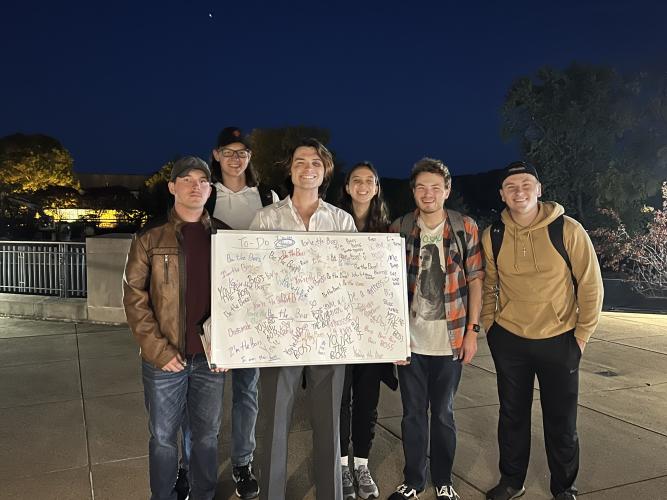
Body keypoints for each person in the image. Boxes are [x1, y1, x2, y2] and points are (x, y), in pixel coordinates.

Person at [481, 161, 603, 500]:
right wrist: (491, 328)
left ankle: (564, 487)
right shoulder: (493, 234)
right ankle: (512, 481)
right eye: (511, 186)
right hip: (510, 340)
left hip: (560, 339)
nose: (519, 191)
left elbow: (591, 285)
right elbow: (489, 284)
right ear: (502, 194)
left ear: (539, 189)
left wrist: (581, 336)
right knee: (511, 417)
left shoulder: (567, 230)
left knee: (561, 422)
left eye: (526, 184)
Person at [249, 138, 356, 500]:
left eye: (315, 162)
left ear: (325, 171)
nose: (307, 167)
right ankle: (271, 495)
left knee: (328, 425)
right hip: (281, 336)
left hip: (329, 336)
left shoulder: (341, 220)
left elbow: (354, 279)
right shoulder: (266, 218)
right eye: (299, 161)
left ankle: (331, 494)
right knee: (275, 423)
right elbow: (251, 277)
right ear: (290, 169)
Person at [175, 126, 277, 500]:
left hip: (253, 310)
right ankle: (186, 467)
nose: (236, 158)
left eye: (243, 152)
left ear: (250, 157)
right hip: (209, 310)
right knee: (201, 397)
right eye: (228, 151)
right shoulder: (206, 193)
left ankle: (242, 463)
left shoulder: (267, 196)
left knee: (247, 393)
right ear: (216, 155)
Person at [123, 156, 228, 500]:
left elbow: (244, 298)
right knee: (164, 438)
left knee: (207, 436)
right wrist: (158, 350)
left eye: (203, 181)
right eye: (187, 180)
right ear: (172, 187)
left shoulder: (226, 237)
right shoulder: (150, 237)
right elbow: (134, 297)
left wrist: (231, 346)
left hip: (211, 360)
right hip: (165, 359)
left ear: (211, 189)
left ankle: (204, 494)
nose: (196, 186)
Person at [387, 158, 484, 500]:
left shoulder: (464, 227)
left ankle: (444, 481)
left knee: (443, 414)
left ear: (447, 190)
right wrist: (391, 339)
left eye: (435, 187)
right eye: (421, 187)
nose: (428, 194)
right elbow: (385, 285)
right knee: (413, 414)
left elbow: (476, 281)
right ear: (413, 191)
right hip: (410, 342)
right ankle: (413, 481)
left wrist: (472, 331)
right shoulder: (399, 228)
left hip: (451, 340)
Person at [336, 162, 398, 500]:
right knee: (340, 400)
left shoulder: (388, 233)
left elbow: (395, 288)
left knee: (367, 402)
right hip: (338, 329)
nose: (362, 186)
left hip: (373, 333)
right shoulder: (331, 225)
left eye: (369, 181)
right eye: (356, 180)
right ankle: (342, 465)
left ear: (376, 188)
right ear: (346, 186)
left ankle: (361, 463)